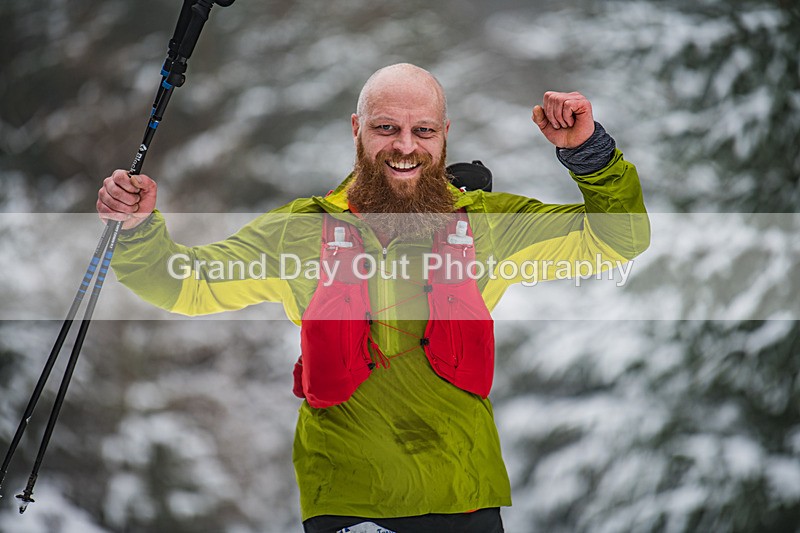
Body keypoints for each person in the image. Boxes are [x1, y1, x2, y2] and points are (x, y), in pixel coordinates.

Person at [97, 63, 649, 533]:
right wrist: (139, 229)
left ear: (445, 133)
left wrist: (587, 151)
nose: (405, 146)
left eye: (423, 130)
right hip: (351, 506)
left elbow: (618, 240)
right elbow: (182, 283)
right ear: (357, 129)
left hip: (469, 502)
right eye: (387, 127)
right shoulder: (302, 232)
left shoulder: (487, 226)